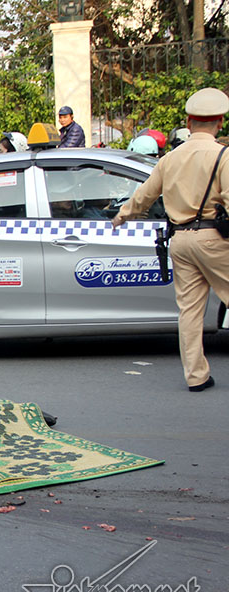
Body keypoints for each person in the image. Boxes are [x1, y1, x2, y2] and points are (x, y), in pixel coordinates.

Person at [111, 87, 229, 392]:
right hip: (214, 238)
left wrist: (122, 215)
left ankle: (196, 376)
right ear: (219, 122)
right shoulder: (223, 156)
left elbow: (145, 195)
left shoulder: (170, 159)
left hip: (180, 240)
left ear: (189, 123)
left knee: (189, 310)